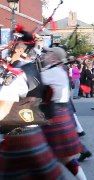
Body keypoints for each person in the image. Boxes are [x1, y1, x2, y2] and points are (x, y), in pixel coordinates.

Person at [0, 42, 63, 179]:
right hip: (34, 131)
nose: (6, 52)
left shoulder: (16, 74)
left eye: (10, 49)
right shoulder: (34, 69)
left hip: (18, 135)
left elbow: (3, 110)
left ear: (20, 51)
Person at [41, 47, 87, 179]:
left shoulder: (51, 72)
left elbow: (30, 85)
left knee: (39, 155)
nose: (45, 55)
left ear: (54, 57)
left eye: (48, 53)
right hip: (59, 114)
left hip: (51, 116)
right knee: (65, 158)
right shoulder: (57, 70)